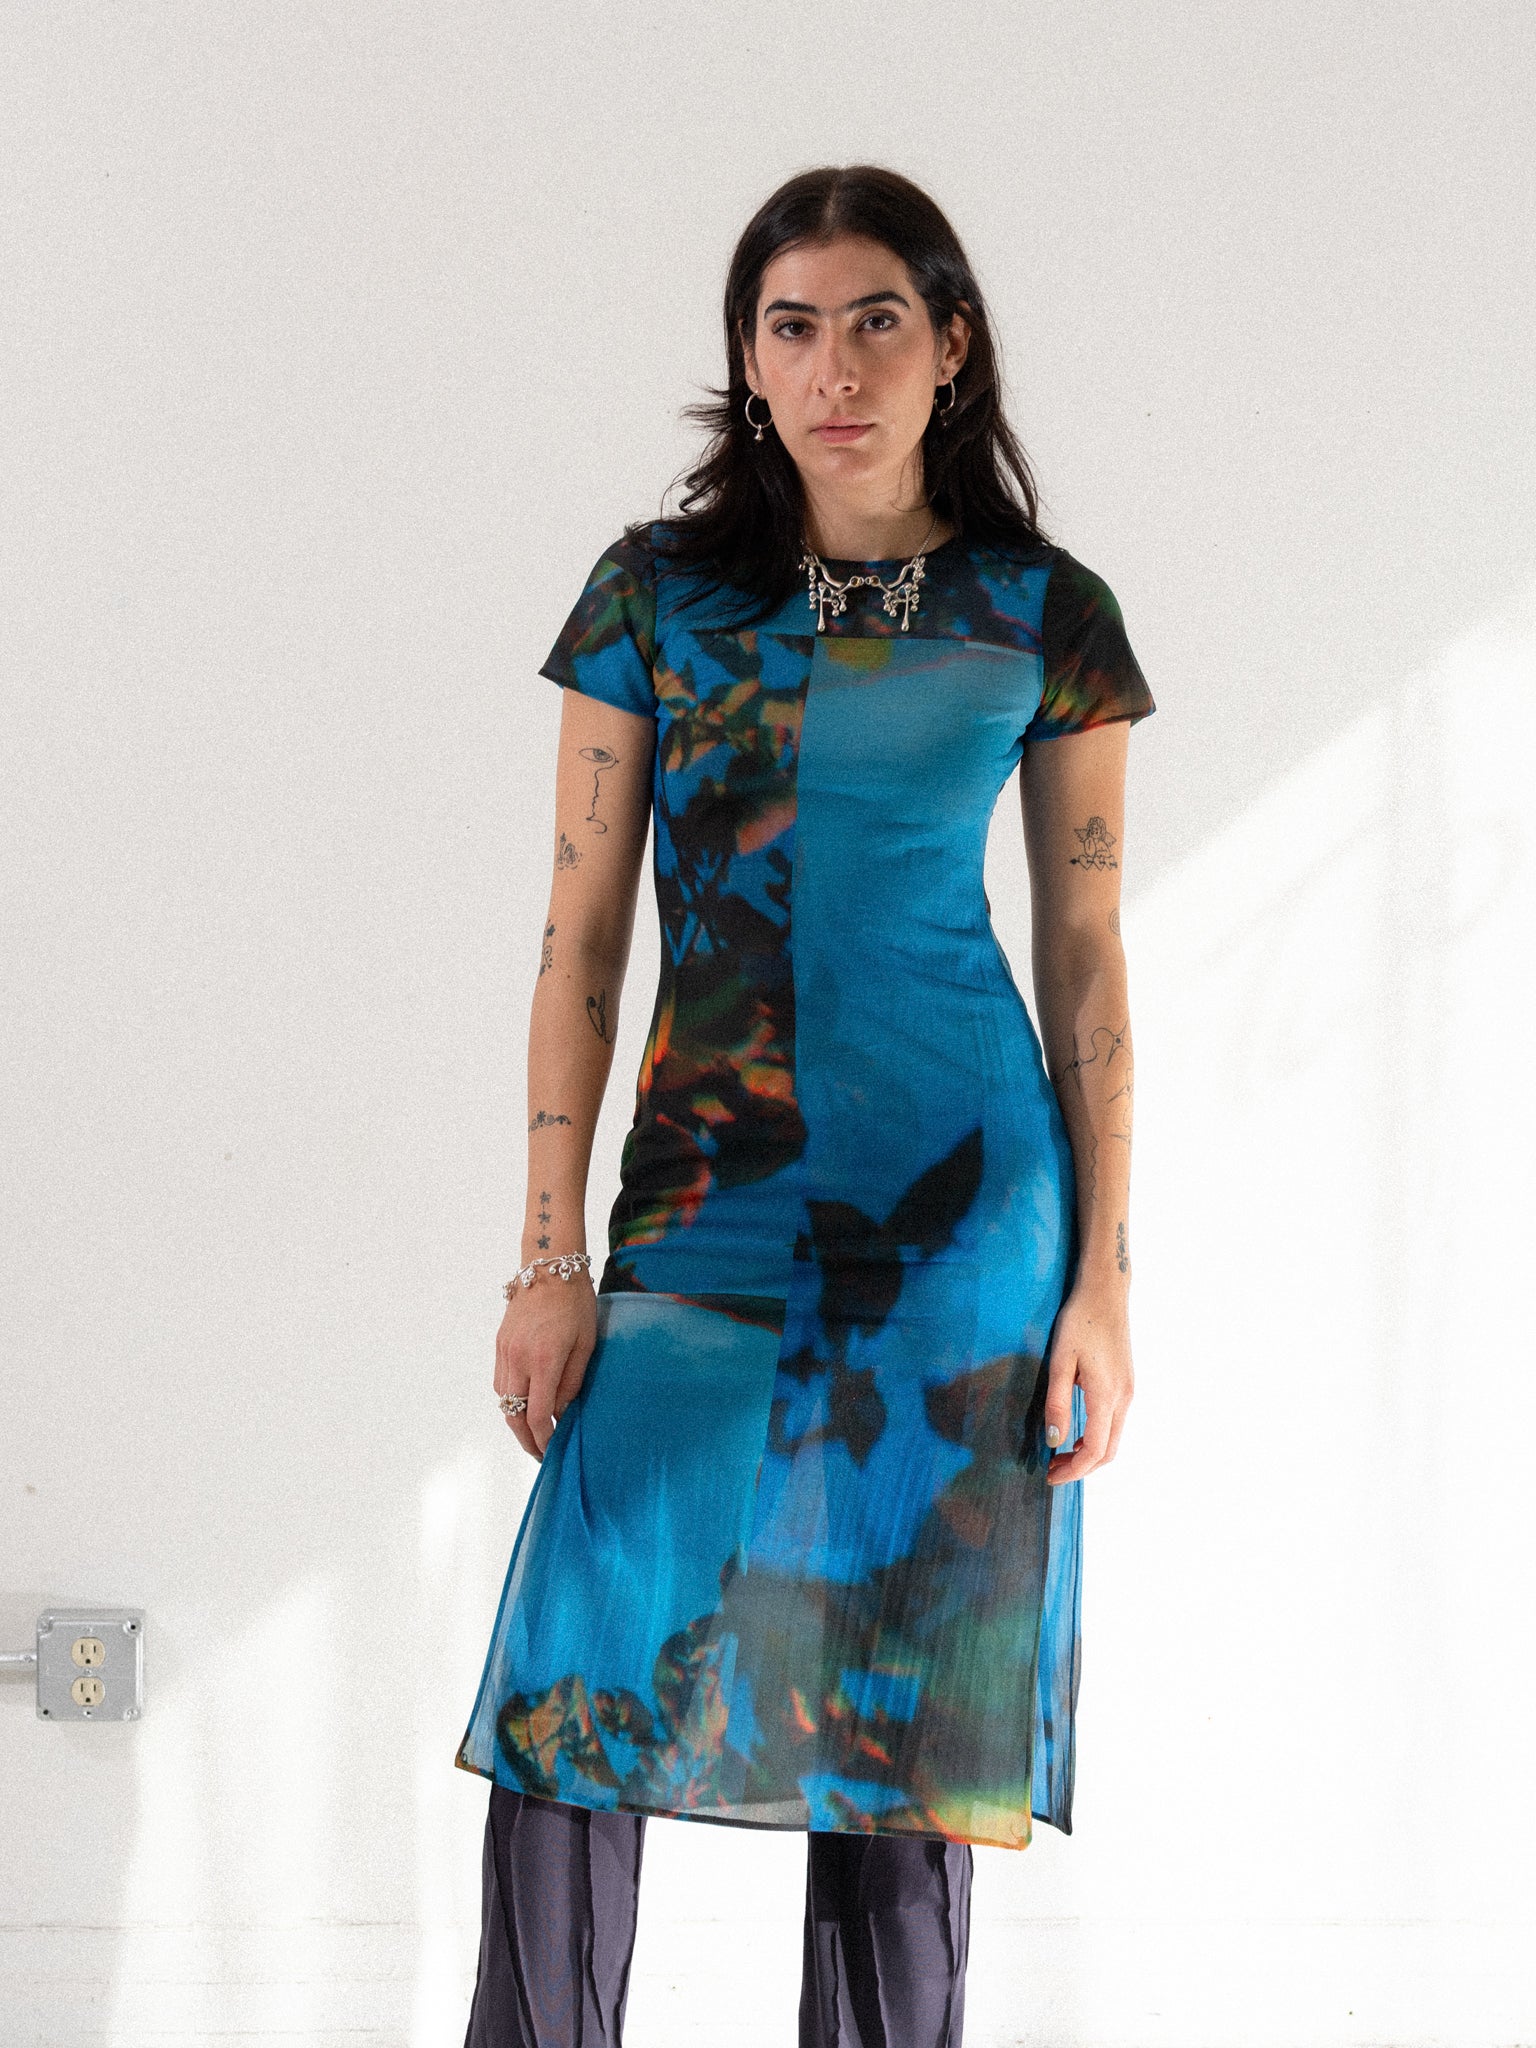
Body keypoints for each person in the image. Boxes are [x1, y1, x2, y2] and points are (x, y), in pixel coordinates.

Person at [455, 162, 1156, 2048]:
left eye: (875, 322)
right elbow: (580, 941)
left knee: (899, 1729)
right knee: (578, 1694)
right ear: (748, 359)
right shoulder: (658, 597)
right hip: (707, 1196)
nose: (835, 366)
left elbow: (1086, 958)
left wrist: (1102, 1282)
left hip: (960, 1216)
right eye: (792, 326)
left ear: (951, 347)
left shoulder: (1043, 613)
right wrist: (548, 1261)